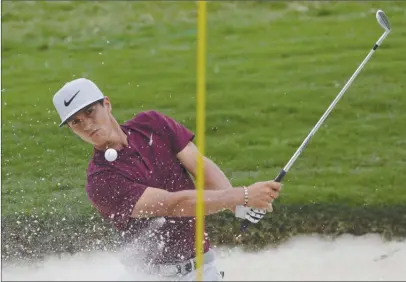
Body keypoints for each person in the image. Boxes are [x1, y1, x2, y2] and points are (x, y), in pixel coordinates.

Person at [52, 78, 281, 281]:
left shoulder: (152, 124)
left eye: (90, 112)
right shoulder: (101, 181)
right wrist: (243, 194)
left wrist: (236, 205)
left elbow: (200, 166)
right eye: (76, 122)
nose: (87, 125)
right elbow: (173, 205)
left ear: (107, 104)